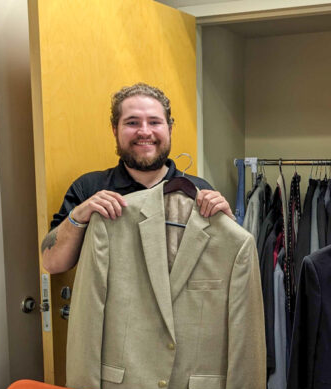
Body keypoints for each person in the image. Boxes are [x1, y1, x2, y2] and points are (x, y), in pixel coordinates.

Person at [41, 83, 233, 273]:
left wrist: (228, 222)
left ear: (170, 129)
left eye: (154, 122)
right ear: (115, 129)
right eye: (132, 123)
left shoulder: (198, 191)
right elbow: (52, 263)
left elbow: (226, 266)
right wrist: (78, 216)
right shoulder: (89, 188)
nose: (144, 132)